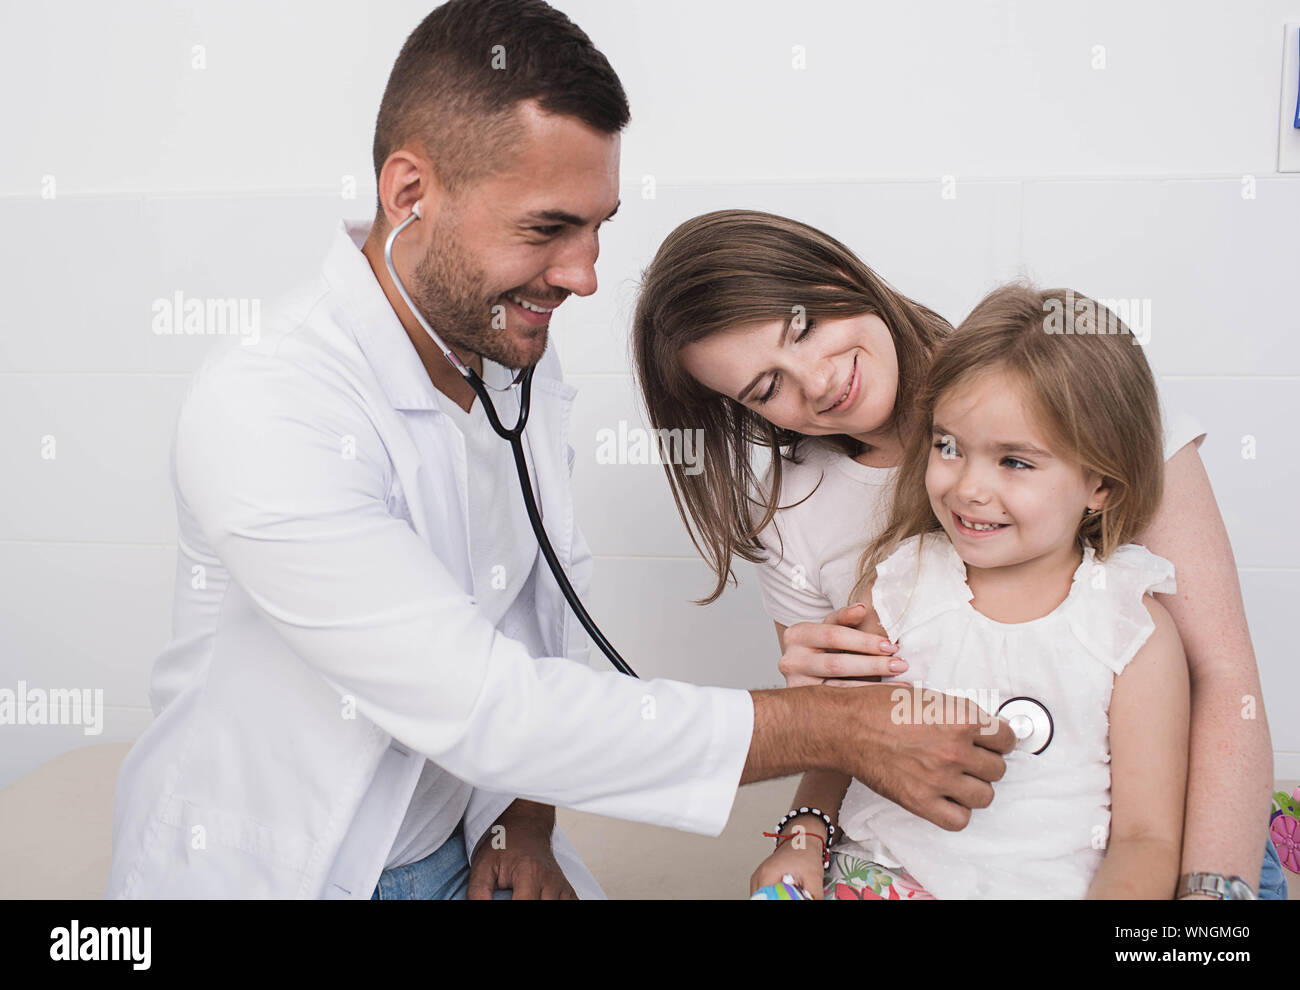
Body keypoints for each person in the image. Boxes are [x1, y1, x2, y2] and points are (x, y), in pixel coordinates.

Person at [106, 0, 1014, 901]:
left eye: (597, 227)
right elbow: (484, 704)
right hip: (291, 867)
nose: (583, 276)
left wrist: (523, 817)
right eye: (547, 229)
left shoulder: (509, 355)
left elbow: (544, 607)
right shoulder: (269, 407)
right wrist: (834, 727)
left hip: (473, 844)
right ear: (409, 193)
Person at [634, 209, 1284, 900]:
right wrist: (805, 817)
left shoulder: (1075, 392)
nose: (817, 381)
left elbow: (1223, 685)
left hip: (1182, 834)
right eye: (767, 389)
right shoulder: (801, 520)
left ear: (838, 272)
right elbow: (844, 735)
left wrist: (1212, 898)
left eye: (805, 327)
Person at [751, 283, 1189, 898]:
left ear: (1103, 485)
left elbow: (1147, 839)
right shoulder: (900, 585)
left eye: (1015, 461)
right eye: (949, 446)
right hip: (875, 876)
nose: (969, 489)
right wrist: (803, 837)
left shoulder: (1130, 627)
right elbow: (840, 736)